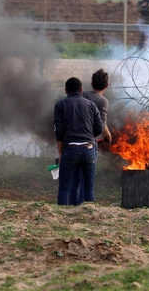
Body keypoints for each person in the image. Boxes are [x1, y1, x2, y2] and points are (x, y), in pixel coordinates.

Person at [53, 77, 103, 206]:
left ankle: (62, 214)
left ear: (66, 90)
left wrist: (60, 152)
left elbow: (59, 131)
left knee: (64, 187)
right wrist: (88, 137)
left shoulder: (60, 105)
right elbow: (99, 128)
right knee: (88, 187)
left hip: (70, 149)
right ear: (81, 90)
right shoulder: (91, 105)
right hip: (89, 149)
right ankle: (89, 214)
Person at [68, 69, 112, 206]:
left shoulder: (82, 94)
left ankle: (71, 208)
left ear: (91, 83)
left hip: (73, 141)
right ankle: (85, 209)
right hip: (89, 144)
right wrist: (108, 136)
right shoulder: (102, 101)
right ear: (107, 85)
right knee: (87, 181)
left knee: (75, 180)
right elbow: (102, 125)